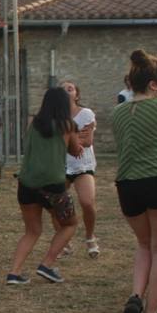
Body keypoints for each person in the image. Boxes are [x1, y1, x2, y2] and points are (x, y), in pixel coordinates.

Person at [111, 50, 157, 313]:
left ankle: (135, 297)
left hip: (127, 185)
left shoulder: (118, 112)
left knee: (144, 244)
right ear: (154, 85)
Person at [5, 87, 83, 286]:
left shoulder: (33, 124)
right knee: (70, 224)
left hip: (27, 184)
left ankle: (14, 273)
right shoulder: (68, 125)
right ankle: (47, 264)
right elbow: (75, 151)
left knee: (32, 231)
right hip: (53, 186)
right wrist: (80, 144)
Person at [62, 79, 100, 258]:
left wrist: (67, 139)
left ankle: (90, 236)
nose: (67, 91)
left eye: (70, 88)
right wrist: (76, 136)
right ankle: (65, 242)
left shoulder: (86, 113)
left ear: (77, 94)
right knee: (56, 205)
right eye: (63, 89)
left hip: (82, 164)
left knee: (87, 202)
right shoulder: (55, 116)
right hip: (60, 164)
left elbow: (87, 140)